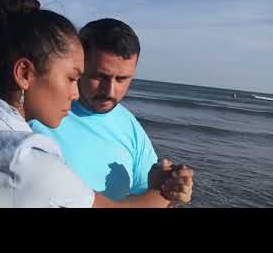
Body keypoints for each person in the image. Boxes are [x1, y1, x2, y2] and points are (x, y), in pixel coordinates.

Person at [0, 0, 191, 208]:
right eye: (73, 77)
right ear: (25, 73)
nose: (74, 93)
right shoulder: (29, 156)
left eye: (123, 79)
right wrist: (163, 192)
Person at [30, 18, 194, 207]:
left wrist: (171, 192)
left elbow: (145, 196)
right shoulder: (41, 114)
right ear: (78, 64)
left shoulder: (129, 125)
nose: (110, 91)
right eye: (100, 76)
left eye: (122, 79)